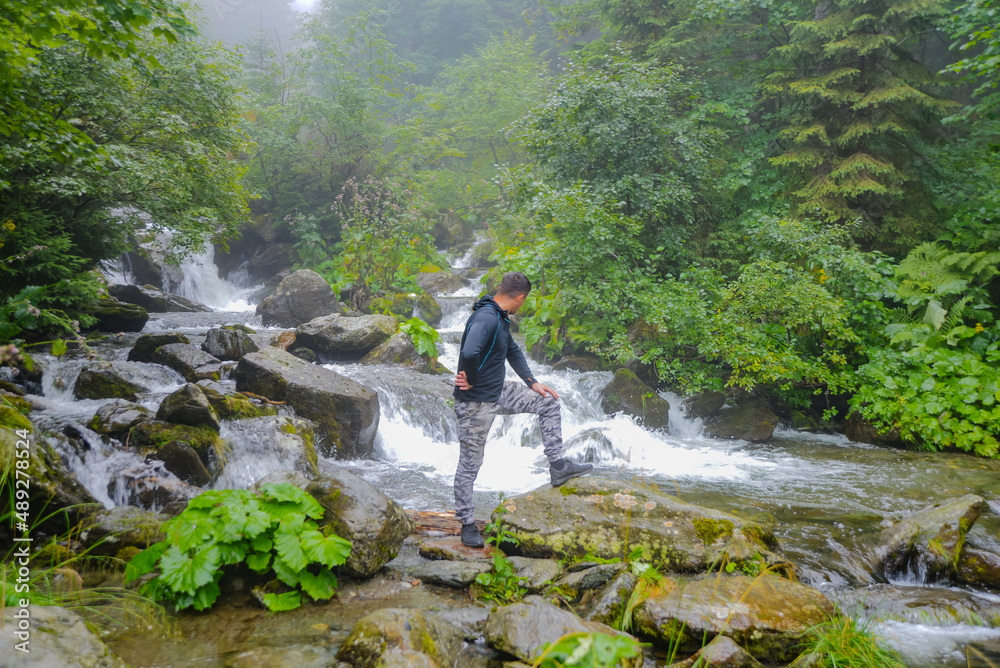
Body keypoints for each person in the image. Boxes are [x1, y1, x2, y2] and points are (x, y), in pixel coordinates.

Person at [452, 271, 592, 548]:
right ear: (519, 297)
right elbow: (469, 352)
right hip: (475, 403)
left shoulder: (499, 317)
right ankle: (467, 524)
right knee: (470, 465)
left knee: (548, 401)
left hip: (498, 392)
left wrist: (533, 382)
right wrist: (470, 377)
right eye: (523, 302)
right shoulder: (486, 318)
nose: (522, 306)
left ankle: (558, 465)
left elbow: (513, 352)